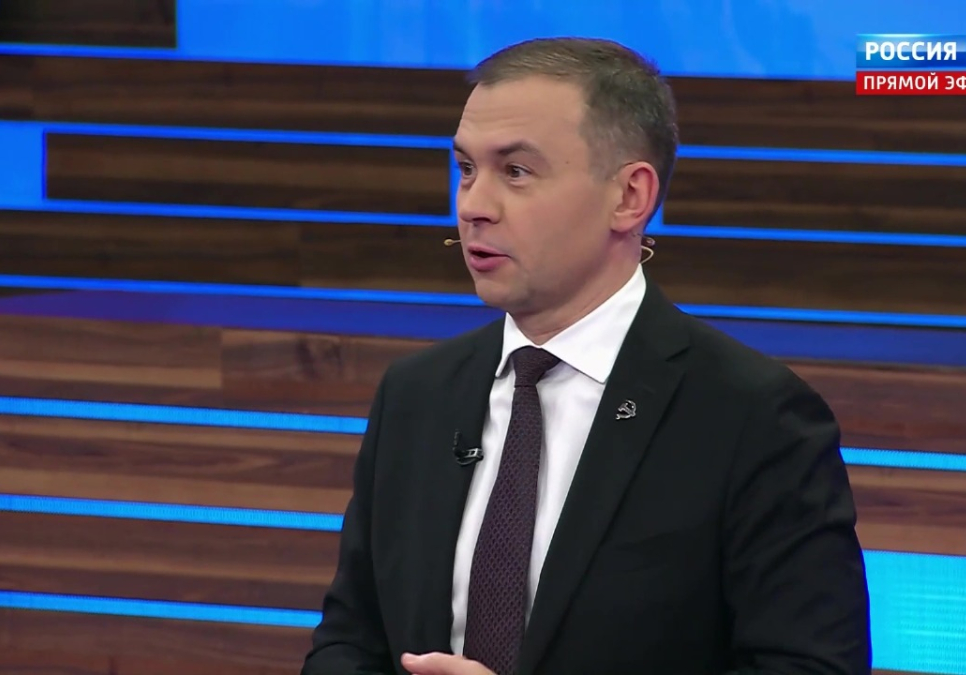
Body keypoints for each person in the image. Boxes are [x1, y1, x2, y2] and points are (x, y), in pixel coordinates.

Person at [301, 37, 872, 675]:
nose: (472, 206)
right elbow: (350, 640)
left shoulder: (755, 418)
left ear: (629, 197)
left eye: (516, 172)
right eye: (465, 168)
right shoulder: (417, 394)